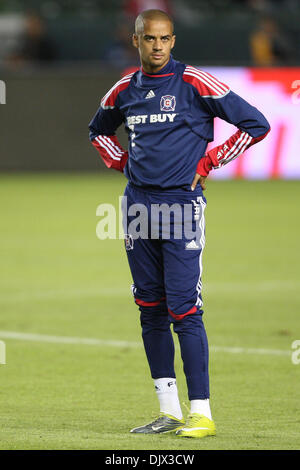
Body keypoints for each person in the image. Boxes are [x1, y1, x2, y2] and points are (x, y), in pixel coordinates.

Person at [89, 9, 270, 438]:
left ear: (173, 41)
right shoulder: (123, 90)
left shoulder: (194, 82)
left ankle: (202, 413)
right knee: (149, 308)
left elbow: (256, 123)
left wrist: (210, 160)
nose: (158, 46)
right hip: (137, 209)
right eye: (150, 39)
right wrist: (124, 164)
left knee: (184, 309)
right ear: (136, 41)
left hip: (182, 207)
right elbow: (98, 131)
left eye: (165, 39)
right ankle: (168, 411)